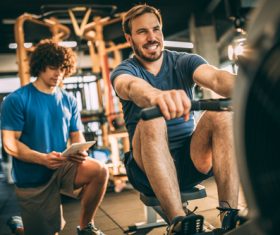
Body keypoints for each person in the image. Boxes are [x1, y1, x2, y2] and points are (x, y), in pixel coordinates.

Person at [110, 4, 240, 234]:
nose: (152, 37)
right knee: (152, 117)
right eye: (142, 32)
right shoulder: (125, 70)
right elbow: (130, 87)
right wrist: (157, 96)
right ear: (129, 39)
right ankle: (178, 223)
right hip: (145, 170)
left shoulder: (183, 61)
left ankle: (229, 217)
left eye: (156, 29)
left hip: (190, 161)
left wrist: (256, 84)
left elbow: (218, 79)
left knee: (221, 116)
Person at [1, 40, 109, 235]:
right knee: (50, 231)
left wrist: (79, 150)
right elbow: (9, 144)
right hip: (33, 176)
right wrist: (41, 158)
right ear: (40, 66)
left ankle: (86, 227)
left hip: (61, 166)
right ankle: (19, 226)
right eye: (52, 67)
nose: (58, 73)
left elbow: (76, 134)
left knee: (99, 170)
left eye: (62, 68)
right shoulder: (16, 100)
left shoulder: (69, 99)